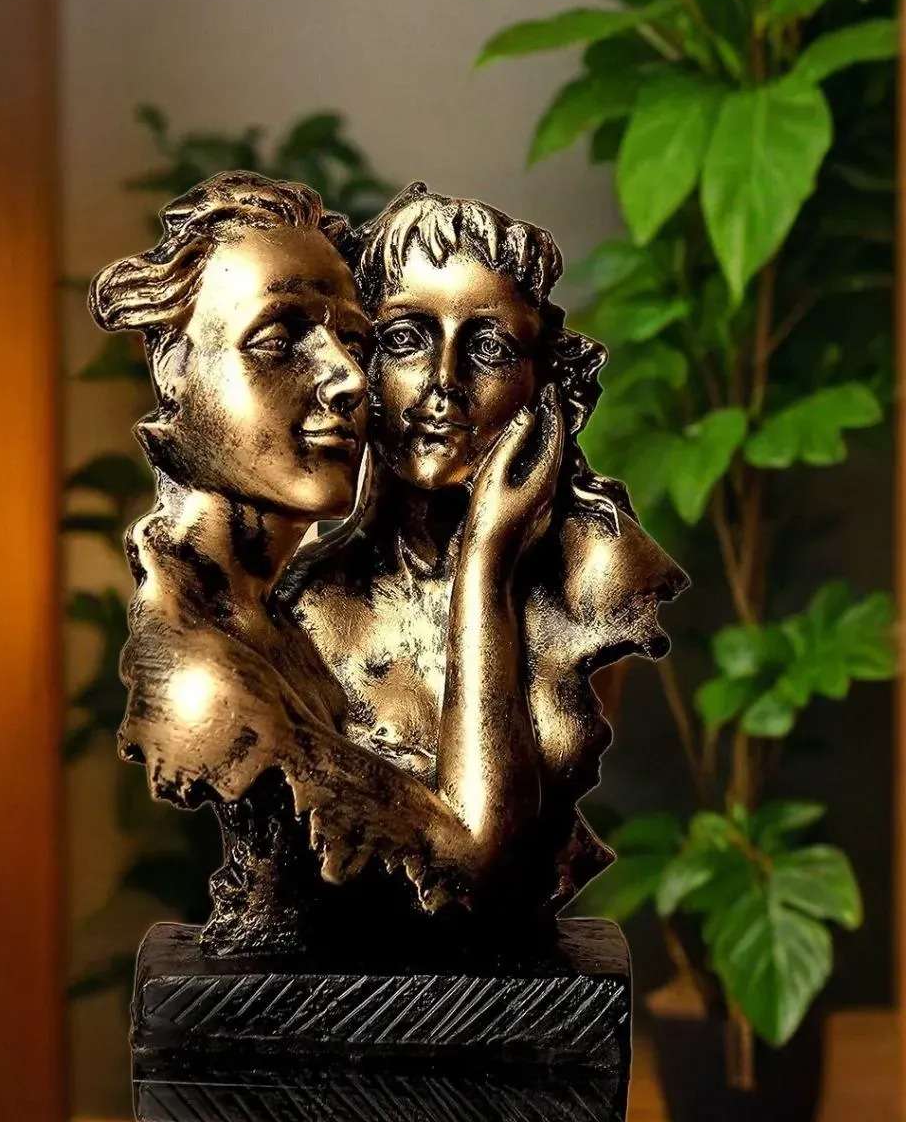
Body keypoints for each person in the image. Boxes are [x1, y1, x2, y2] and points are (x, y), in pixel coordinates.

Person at [89, 172, 552, 955]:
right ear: (173, 365)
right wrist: (487, 560)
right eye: (279, 339)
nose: (347, 380)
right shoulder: (205, 677)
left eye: (356, 343)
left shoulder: (272, 615)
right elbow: (476, 871)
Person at [292, 183, 689, 907]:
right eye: (406, 339)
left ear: (542, 384)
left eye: (489, 347)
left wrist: (489, 556)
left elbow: (497, 870)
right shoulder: (304, 605)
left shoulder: (598, 574)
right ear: (356, 366)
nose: (444, 383)